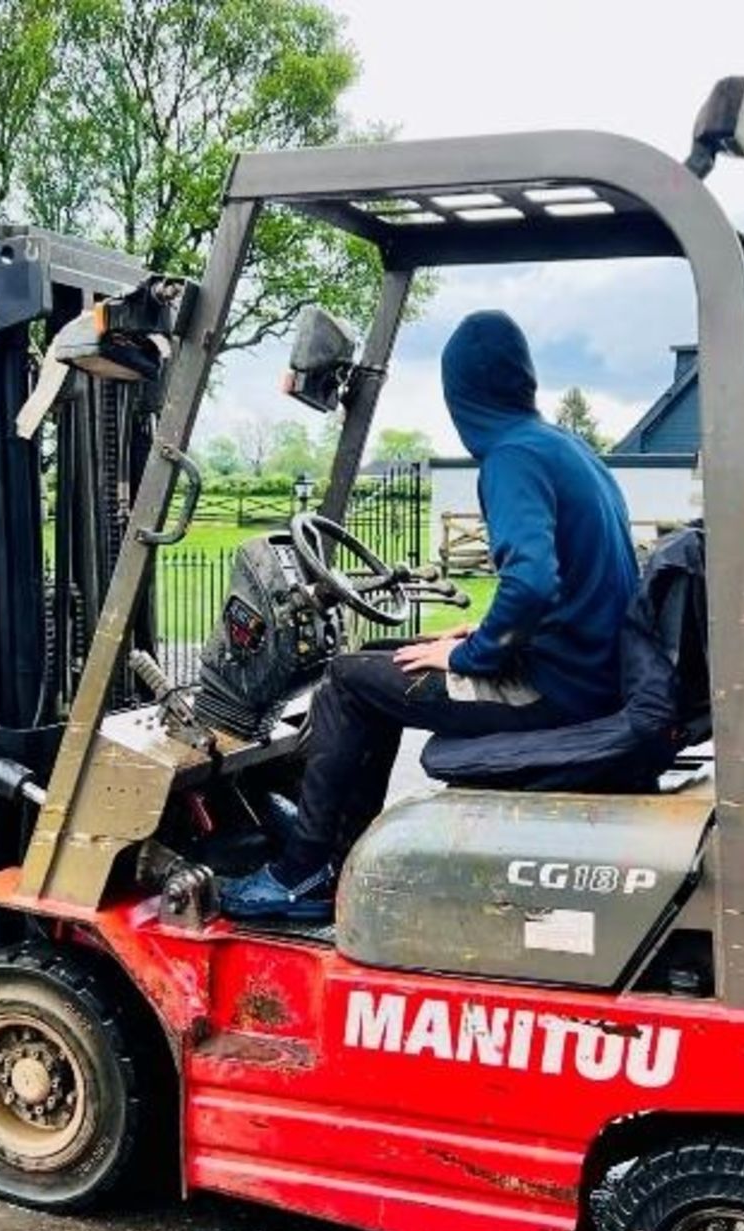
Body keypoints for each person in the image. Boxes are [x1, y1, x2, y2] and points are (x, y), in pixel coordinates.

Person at [220, 309, 641, 923]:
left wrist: (475, 655)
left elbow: (532, 583)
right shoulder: (565, 449)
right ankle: (338, 849)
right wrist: (474, 633)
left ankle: (304, 870)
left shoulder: (510, 457)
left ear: (460, 394)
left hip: (556, 690)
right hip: (587, 669)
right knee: (380, 665)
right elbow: (573, 585)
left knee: (344, 682)